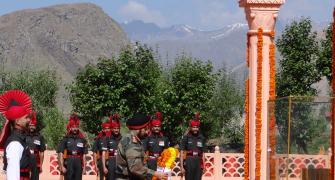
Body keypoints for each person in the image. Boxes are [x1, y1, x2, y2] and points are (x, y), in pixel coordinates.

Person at [115, 113, 167, 180]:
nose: (147, 132)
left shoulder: (131, 138)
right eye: (146, 129)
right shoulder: (131, 142)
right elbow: (135, 168)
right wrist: (155, 174)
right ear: (140, 128)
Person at [0, 90, 33, 180]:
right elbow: (13, 176)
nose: (29, 120)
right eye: (26, 117)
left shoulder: (20, 140)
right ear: (17, 121)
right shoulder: (15, 143)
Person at [57, 113, 88, 180]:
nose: (75, 129)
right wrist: (62, 166)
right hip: (69, 161)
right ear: (70, 128)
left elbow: (84, 155)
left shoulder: (82, 139)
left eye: (76, 127)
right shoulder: (66, 138)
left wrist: (84, 168)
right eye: (73, 127)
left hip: (78, 162)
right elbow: (60, 153)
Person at [143, 112, 169, 180]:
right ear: (152, 127)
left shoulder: (164, 138)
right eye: (155, 126)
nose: (157, 128)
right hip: (151, 161)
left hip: (161, 162)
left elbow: (167, 152)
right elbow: (144, 151)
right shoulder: (147, 138)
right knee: (150, 178)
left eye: (158, 126)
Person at [180, 112, 206, 180]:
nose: (195, 129)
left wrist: (204, 166)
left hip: (198, 161)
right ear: (190, 128)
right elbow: (182, 152)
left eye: (196, 127)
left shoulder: (201, 138)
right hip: (189, 161)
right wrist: (181, 166)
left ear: (198, 128)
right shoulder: (186, 137)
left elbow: (203, 153)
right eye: (193, 127)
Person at [26, 111, 46, 180]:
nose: (32, 127)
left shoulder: (40, 137)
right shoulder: (24, 136)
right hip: (26, 159)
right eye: (30, 125)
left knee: (35, 178)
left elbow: (42, 152)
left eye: (33, 125)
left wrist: (41, 165)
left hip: (35, 160)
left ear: (35, 126)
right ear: (28, 125)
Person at [102, 113, 122, 180]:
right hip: (110, 162)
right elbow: (103, 153)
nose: (116, 130)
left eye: (117, 128)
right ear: (112, 129)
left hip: (120, 162)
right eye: (114, 128)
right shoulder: (107, 138)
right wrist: (104, 166)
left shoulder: (122, 138)